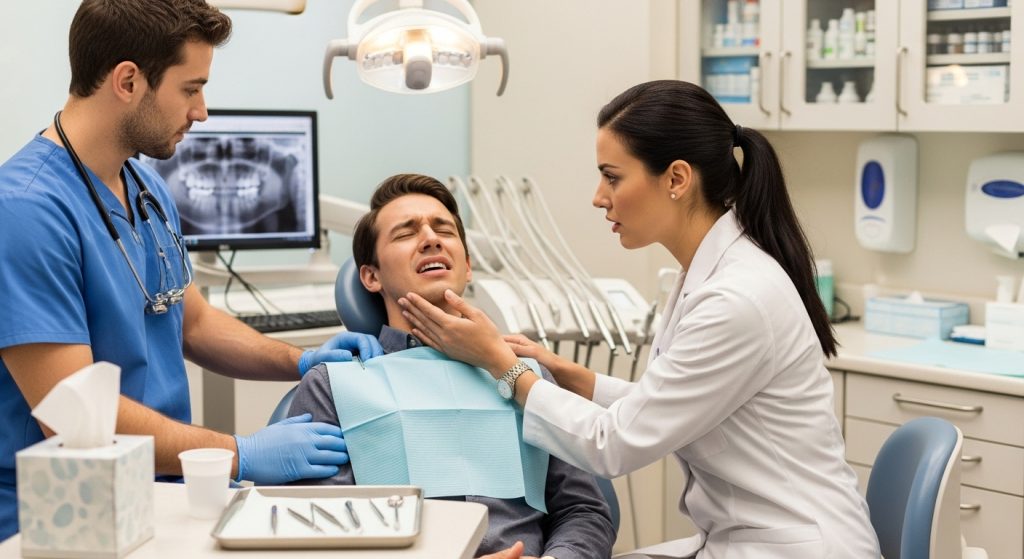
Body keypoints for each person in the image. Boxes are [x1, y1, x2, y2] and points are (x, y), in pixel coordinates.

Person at [398, 81, 881, 558]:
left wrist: (504, 366)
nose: (598, 197)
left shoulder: (736, 298)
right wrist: (569, 375)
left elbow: (614, 445)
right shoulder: (706, 275)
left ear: (676, 179)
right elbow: (668, 402)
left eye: (612, 177)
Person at [0, 0, 381, 540]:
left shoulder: (147, 189)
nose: (201, 111)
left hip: (164, 493)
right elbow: (74, 415)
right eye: (190, 89)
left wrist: (300, 361)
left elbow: (193, 322)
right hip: (61, 519)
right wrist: (238, 452)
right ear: (128, 81)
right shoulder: (24, 211)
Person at [289, 174, 615, 559]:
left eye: (443, 229)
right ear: (371, 276)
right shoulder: (333, 386)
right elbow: (316, 530)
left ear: (468, 266)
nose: (431, 239)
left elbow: (584, 511)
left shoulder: (524, 378)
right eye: (406, 233)